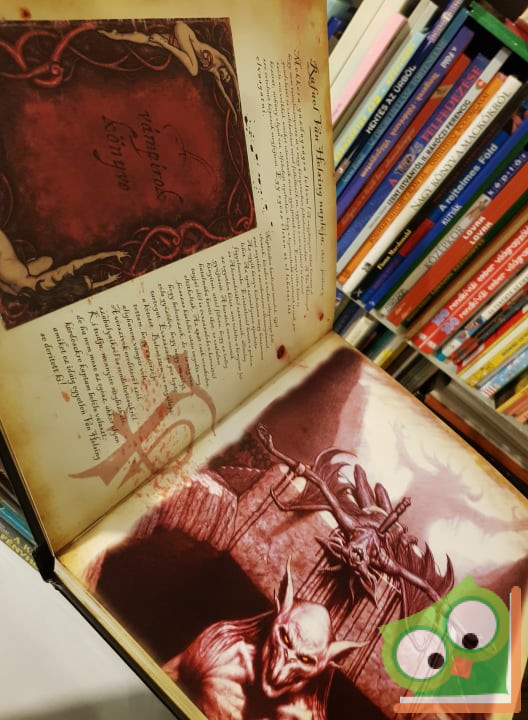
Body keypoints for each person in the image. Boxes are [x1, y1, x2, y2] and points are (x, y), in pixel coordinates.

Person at [99, 20, 240, 118]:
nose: (225, 76)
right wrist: (239, 96)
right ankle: (164, 44)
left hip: (176, 40)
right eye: (227, 75)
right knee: (194, 70)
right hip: (183, 31)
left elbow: (225, 94)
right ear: (228, 70)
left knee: (148, 39)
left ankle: (115, 35)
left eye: (224, 79)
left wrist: (234, 111)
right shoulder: (221, 58)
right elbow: (234, 76)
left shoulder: (214, 72)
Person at [0, 227, 127, 308]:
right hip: (13, 287)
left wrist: (114, 253)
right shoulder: (49, 297)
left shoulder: (59, 275)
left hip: (15, 272)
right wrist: (108, 281)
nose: (90, 277)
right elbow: (90, 287)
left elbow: (89, 259)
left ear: (74, 281)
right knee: (47, 261)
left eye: (86, 277)